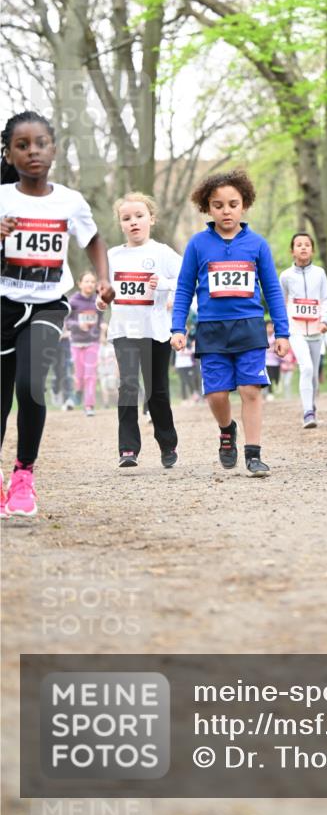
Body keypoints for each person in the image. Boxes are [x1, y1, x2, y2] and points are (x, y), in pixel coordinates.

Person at [0, 110, 112, 517]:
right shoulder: (2, 198)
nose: (33, 152)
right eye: (22, 145)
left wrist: (103, 278)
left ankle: (23, 476)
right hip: (2, 305)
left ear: (54, 150)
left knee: (30, 385)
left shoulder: (69, 201)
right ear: (9, 154)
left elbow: (94, 239)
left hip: (48, 304)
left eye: (40, 144)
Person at [170, 169, 289, 477]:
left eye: (233, 204)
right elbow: (184, 288)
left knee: (251, 390)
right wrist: (178, 327)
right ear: (207, 208)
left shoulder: (257, 244)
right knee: (216, 393)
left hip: (249, 325)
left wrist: (282, 331)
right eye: (218, 205)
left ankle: (253, 454)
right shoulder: (198, 245)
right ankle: (227, 430)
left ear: (244, 205)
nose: (226, 211)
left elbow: (272, 289)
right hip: (211, 328)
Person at [97, 192, 182, 469]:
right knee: (127, 387)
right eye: (126, 218)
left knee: (156, 391)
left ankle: (168, 445)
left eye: (139, 216)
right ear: (120, 224)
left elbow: (187, 280)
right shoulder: (112, 256)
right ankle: (128, 448)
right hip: (124, 330)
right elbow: (104, 293)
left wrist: (165, 284)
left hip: (155, 331)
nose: (133, 222)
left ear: (151, 219)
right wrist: (101, 300)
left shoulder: (162, 253)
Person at [279, 232, 327, 428]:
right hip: (296, 330)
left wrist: (324, 320)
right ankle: (307, 412)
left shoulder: (319, 273)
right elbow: (281, 302)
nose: (303, 248)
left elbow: (326, 298)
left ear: (312, 250)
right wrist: (282, 328)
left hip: (317, 330)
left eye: (307, 244)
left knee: (314, 374)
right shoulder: (285, 276)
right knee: (306, 367)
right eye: (299, 245)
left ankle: (312, 406)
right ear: (292, 251)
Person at [66, 271, 102, 415]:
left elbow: (100, 319)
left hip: (93, 342)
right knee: (79, 376)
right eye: (87, 281)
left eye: (93, 282)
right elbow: (66, 321)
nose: (90, 284)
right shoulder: (73, 301)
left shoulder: (97, 300)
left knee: (90, 375)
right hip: (76, 342)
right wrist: (77, 325)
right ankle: (78, 391)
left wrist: (102, 326)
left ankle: (89, 406)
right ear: (79, 283)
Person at [264, 320, 281, 401]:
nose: (270, 329)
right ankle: (270, 393)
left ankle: (277, 386)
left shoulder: (276, 336)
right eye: (268, 327)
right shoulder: (263, 336)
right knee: (269, 377)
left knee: (276, 377)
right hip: (267, 361)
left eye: (272, 327)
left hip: (276, 361)